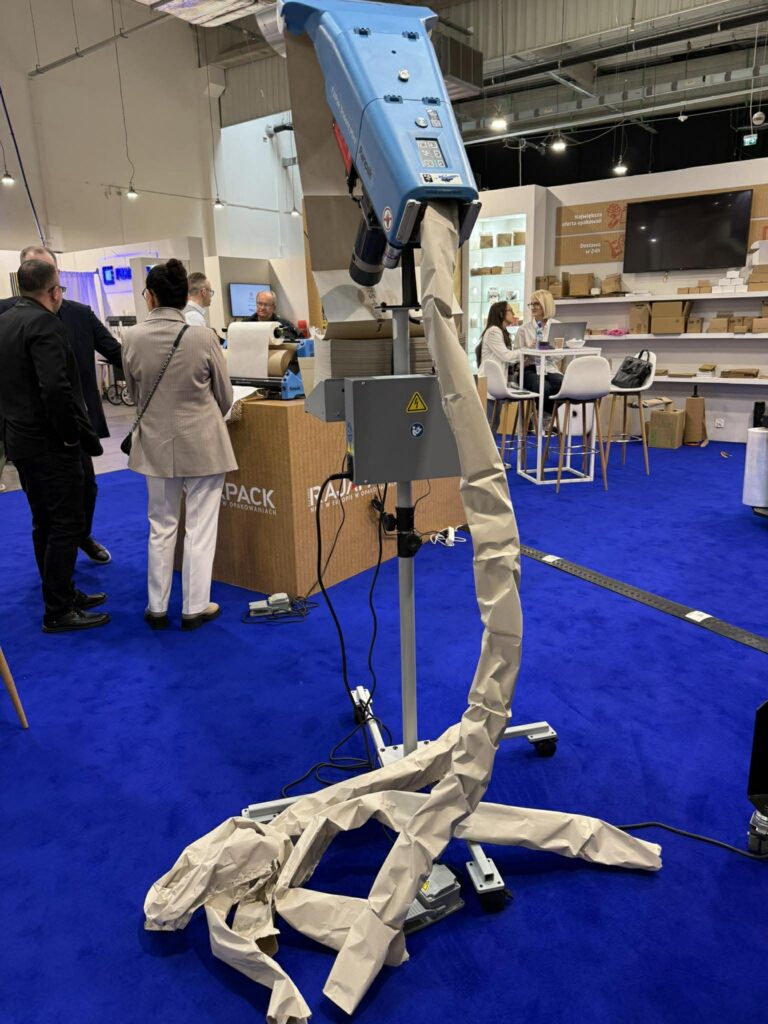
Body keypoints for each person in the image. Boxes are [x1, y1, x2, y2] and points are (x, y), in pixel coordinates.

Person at [121, 260, 237, 631]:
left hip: (155, 443)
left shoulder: (131, 337)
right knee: (200, 527)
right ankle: (194, 606)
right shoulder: (204, 337)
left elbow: (134, 394)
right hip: (203, 443)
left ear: (151, 297)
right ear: (184, 297)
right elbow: (225, 396)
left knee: (161, 524)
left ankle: (156, 606)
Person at [0, 260, 110, 632]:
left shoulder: (5, 321)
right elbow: (55, 388)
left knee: (44, 521)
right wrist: (69, 436)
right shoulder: (45, 323)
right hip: (50, 443)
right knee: (67, 522)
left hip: (20, 440)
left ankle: (62, 593)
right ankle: (59, 609)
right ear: (53, 290)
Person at [514, 289, 563, 416]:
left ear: (546, 305)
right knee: (543, 387)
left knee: (563, 384)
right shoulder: (524, 329)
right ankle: (546, 418)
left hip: (549, 367)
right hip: (530, 368)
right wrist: (527, 350)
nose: (533, 307)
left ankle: (552, 418)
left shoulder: (557, 326)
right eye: (531, 304)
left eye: (537, 304)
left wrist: (550, 351)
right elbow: (515, 357)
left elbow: (560, 355)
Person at [475, 300, 521, 429]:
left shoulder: (501, 332)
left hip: (495, 384)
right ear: (501, 314)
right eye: (510, 310)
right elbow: (506, 355)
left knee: (494, 423)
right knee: (489, 424)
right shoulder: (494, 331)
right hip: (489, 384)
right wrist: (524, 351)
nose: (513, 313)